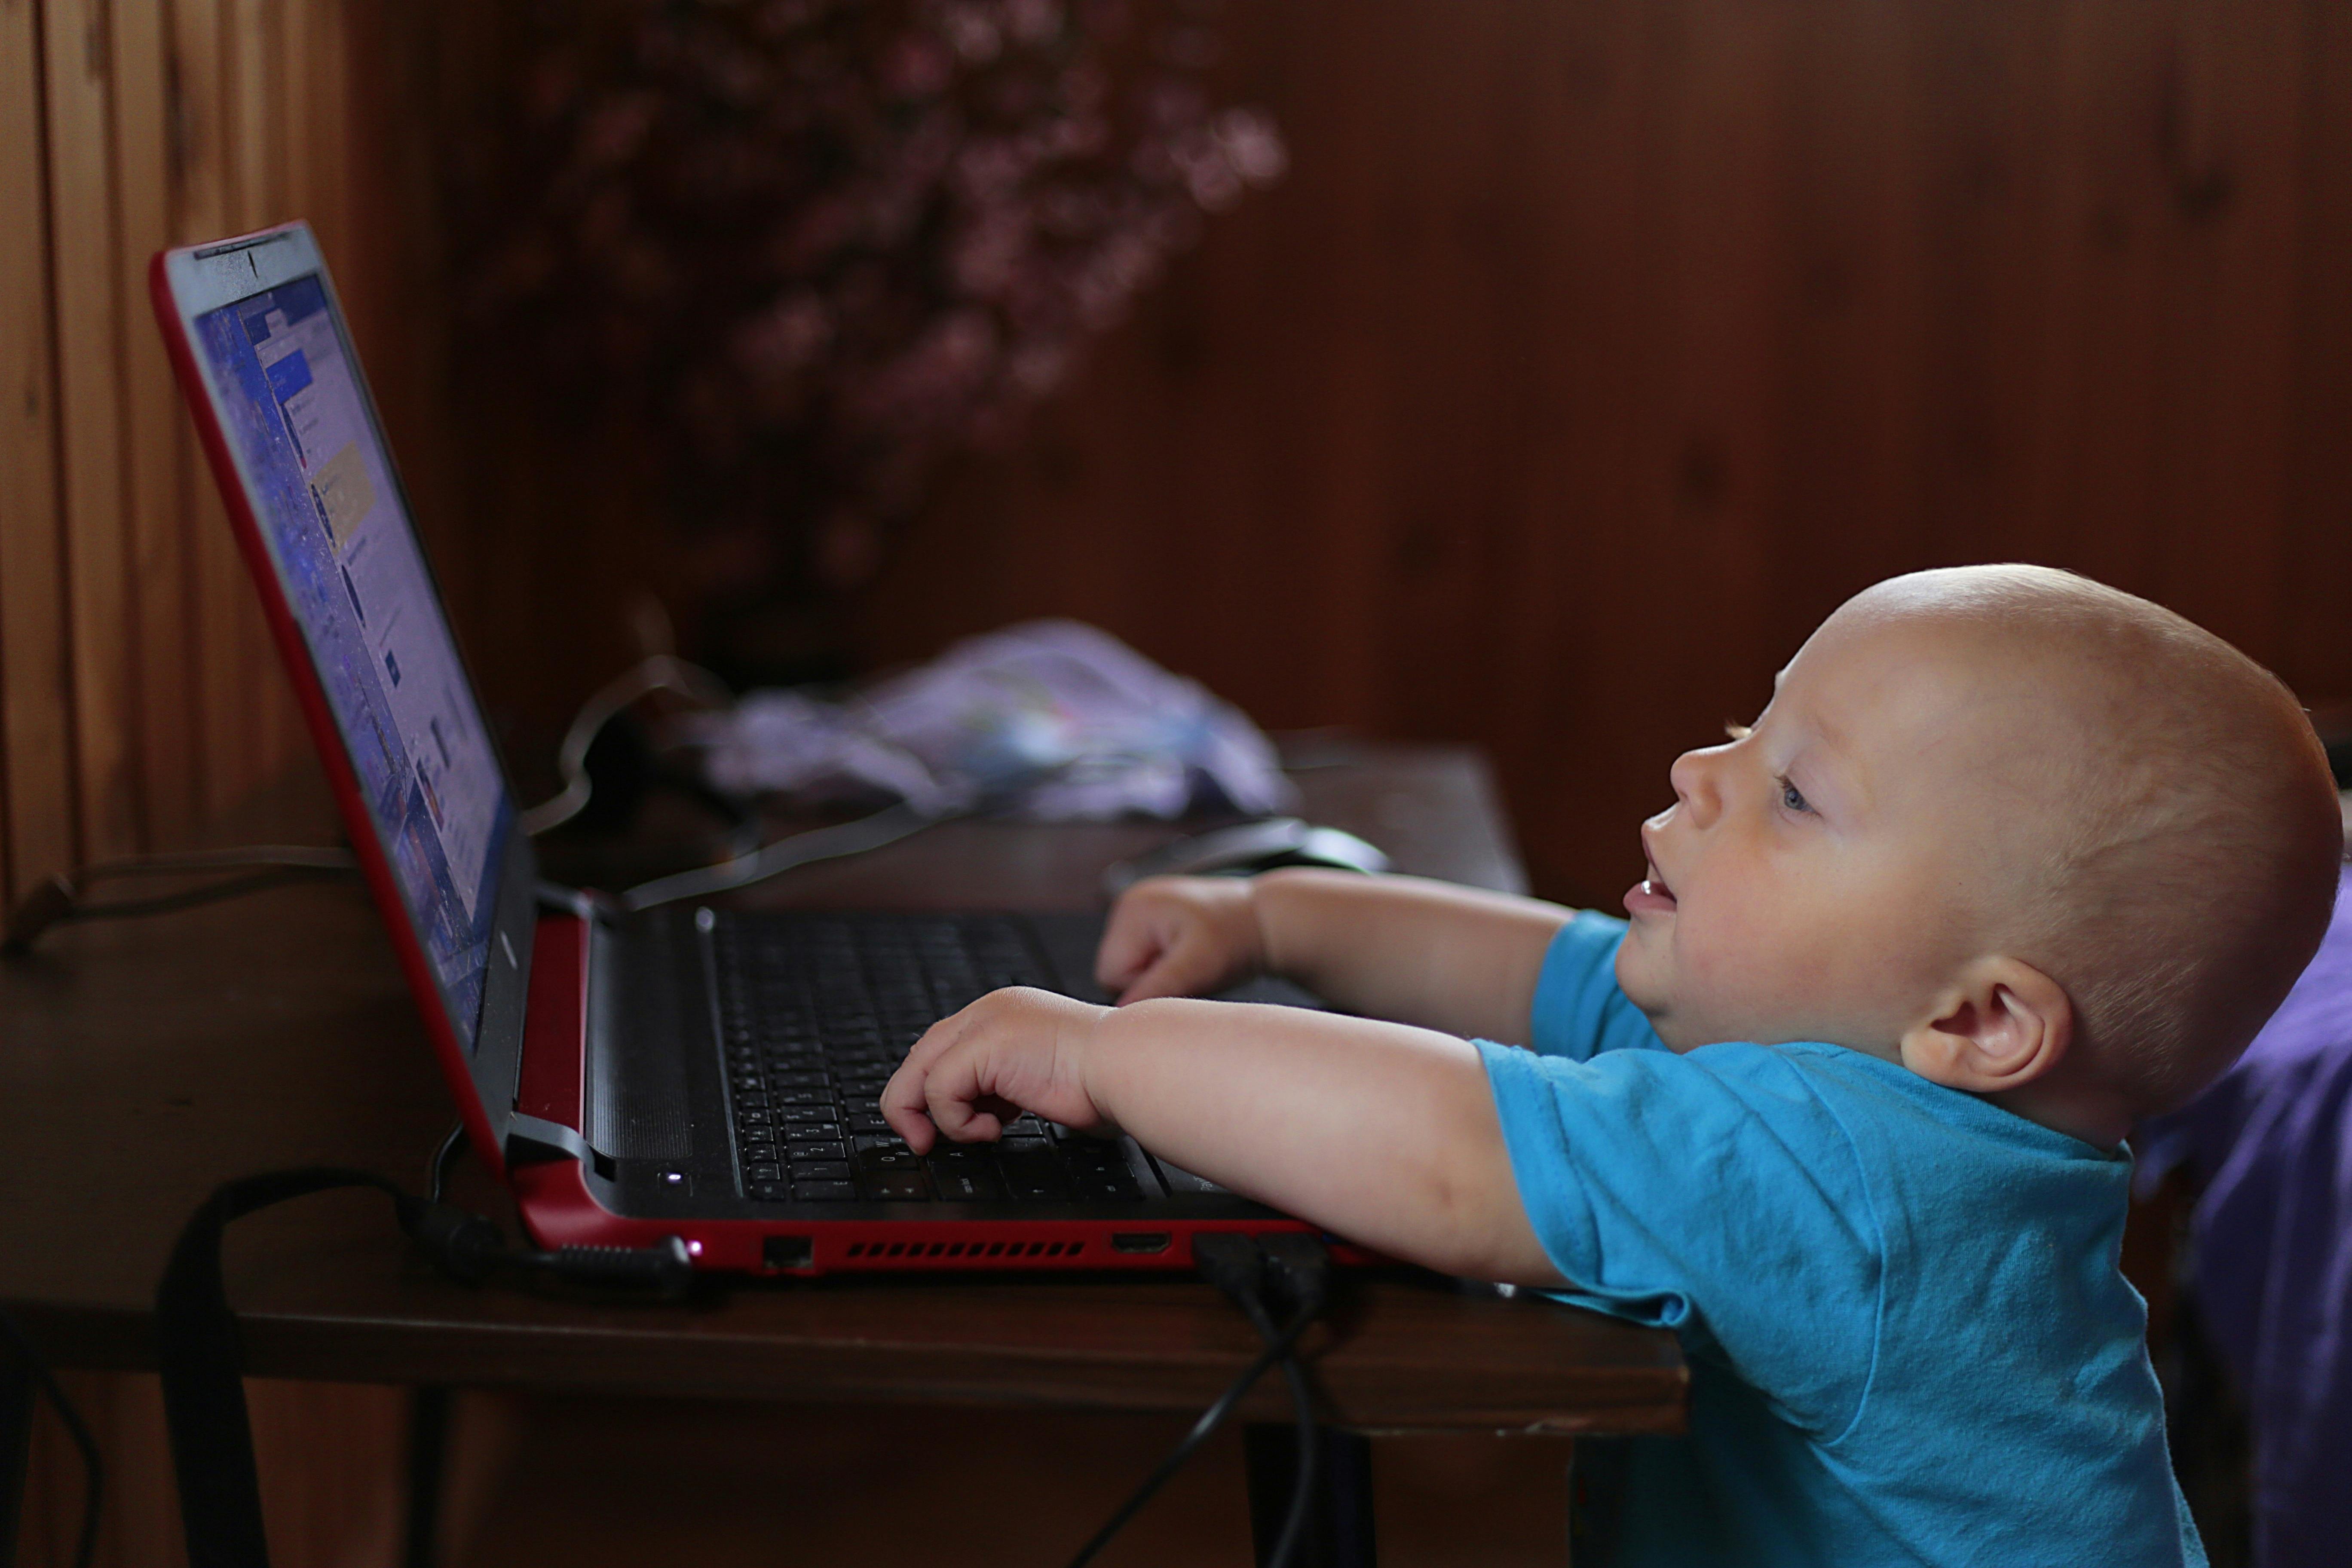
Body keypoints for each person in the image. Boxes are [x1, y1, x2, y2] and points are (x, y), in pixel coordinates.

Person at [881, 564, 2344, 1564]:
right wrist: (1274, 916)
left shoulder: (1855, 1175)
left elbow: (1451, 1153)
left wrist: (1111, 1056)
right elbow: (1544, 970)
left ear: (1978, 1022)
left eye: (1792, 791)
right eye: (1746, 724)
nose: (1703, 775)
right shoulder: (1856, 1065)